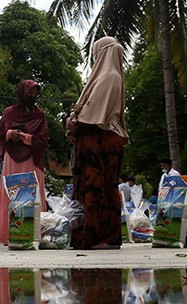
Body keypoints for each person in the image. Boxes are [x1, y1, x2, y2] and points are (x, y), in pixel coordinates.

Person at [66, 36, 129, 250]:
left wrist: (74, 120)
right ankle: (97, 235)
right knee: (97, 190)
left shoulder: (109, 77)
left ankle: (96, 235)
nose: (94, 58)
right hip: (98, 142)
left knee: (96, 190)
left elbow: (94, 114)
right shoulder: (107, 76)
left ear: (104, 53)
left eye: (96, 53)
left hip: (101, 142)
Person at [0, 80, 49, 245]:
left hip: (32, 159)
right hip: (12, 160)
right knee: (10, 196)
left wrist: (25, 137)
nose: (32, 97)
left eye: (35, 94)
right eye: (29, 93)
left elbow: (43, 139)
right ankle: (7, 235)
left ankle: (33, 235)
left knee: (33, 197)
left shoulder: (40, 115)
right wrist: (10, 134)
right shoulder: (8, 113)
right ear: (21, 93)